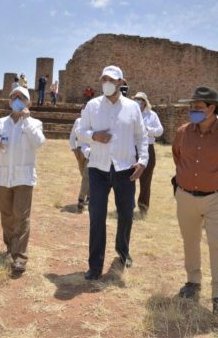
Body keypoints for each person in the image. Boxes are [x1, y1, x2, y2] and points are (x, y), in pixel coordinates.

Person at [172, 86, 218, 317]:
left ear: (212, 108)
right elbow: (178, 157)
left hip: (217, 198)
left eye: (197, 107)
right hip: (186, 197)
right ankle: (193, 281)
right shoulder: (183, 132)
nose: (192, 110)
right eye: (191, 107)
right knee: (190, 241)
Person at [76, 65, 149, 280]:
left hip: (125, 169)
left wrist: (142, 161)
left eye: (111, 79)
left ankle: (123, 252)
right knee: (96, 216)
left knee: (126, 214)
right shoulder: (92, 106)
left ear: (121, 82)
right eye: (104, 79)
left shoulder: (132, 107)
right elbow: (80, 132)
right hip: (98, 169)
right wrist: (94, 136)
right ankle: (95, 266)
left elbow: (141, 136)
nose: (107, 83)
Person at [0, 86, 46, 275]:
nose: (18, 99)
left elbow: (39, 142)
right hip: (3, 177)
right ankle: (11, 245)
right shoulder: (0, 123)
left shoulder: (34, 123)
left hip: (23, 177)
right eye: (14, 96)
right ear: (9, 101)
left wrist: (26, 120)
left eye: (22, 97)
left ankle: (20, 257)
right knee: (7, 216)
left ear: (28, 102)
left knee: (21, 216)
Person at [132, 92, 163, 218]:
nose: (138, 102)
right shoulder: (130, 114)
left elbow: (160, 131)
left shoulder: (152, 115)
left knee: (146, 179)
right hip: (132, 148)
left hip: (147, 148)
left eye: (140, 100)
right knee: (129, 177)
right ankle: (128, 205)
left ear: (145, 102)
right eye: (136, 99)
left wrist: (148, 130)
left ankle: (143, 206)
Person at [69, 106, 90, 211]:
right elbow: (72, 136)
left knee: (86, 175)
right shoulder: (78, 121)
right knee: (84, 175)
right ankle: (89, 196)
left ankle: (81, 199)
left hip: (91, 152)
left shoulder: (95, 121)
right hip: (80, 152)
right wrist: (74, 149)